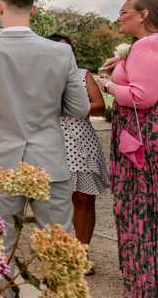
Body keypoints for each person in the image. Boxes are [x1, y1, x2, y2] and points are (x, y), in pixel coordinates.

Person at [0, 0, 90, 259]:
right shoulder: (61, 52)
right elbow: (80, 107)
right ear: (33, 10)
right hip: (49, 159)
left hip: (0, 159)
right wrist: (47, 105)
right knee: (58, 246)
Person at [94, 0, 158, 295]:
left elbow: (142, 96)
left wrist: (107, 85)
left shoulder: (149, 46)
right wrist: (125, 61)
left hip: (156, 136)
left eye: (123, 11)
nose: (118, 17)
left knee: (149, 208)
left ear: (144, 15)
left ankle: (153, 284)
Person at [45, 33, 108, 262]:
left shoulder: (82, 75)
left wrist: (67, 107)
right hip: (49, 143)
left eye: (68, 49)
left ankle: (81, 254)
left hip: (81, 144)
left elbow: (100, 106)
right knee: (53, 202)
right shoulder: (37, 77)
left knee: (84, 201)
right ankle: (59, 253)